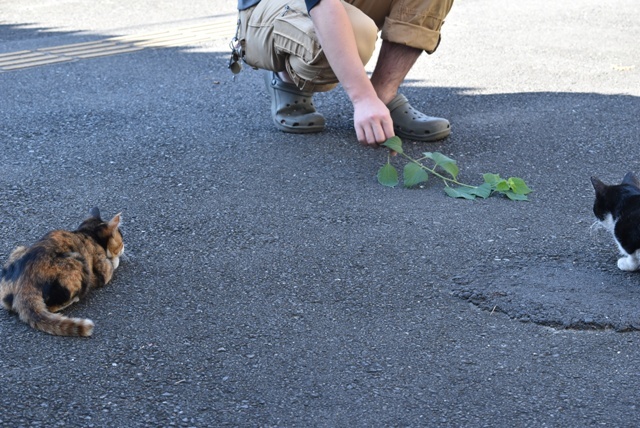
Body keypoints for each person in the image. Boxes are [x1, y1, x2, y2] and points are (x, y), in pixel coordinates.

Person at [232, 0, 454, 148]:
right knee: (355, 35)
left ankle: (382, 96)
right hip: (270, 9)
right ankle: (285, 77)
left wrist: (373, 98)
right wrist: (361, 97)